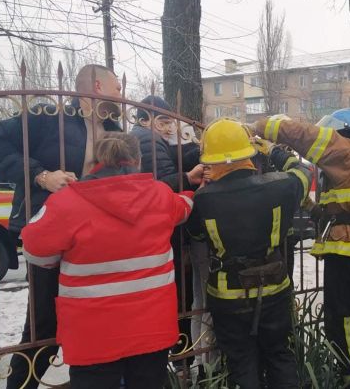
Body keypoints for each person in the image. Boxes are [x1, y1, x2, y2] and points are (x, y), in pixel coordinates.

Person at [0, 64, 122, 389]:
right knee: (44, 322)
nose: (121, 95)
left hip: (96, 239)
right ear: (98, 87)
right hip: (51, 233)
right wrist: (42, 175)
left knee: (95, 316)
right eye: (117, 88)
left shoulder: (114, 127)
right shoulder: (49, 116)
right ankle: (21, 385)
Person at [21, 132, 194, 389]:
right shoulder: (160, 195)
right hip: (152, 330)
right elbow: (184, 206)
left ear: (96, 159)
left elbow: (34, 250)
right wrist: (191, 188)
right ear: (137, 158)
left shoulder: (66, 202)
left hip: (92, 336)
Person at [249, 108, 350, 388]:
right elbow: (344, 209)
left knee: (346, 329)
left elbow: (302, 135)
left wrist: (258, 127)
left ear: (341, 131)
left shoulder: (347, 149)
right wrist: (311, 207)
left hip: (348, 251)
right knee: (348, 327)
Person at [188, 118, 311, 388]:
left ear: (211, 160)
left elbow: (196, 235)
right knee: (280, 356)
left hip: (228, 297)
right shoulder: (281, 186)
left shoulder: (203, 200)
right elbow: (303, 171)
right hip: (275, 287)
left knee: (242, 363)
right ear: (249, 154)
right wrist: (272, 150)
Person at [130, 95, 213, 372]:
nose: (169, 128)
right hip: (168, 231)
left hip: (162, 233)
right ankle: (183, 362)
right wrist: (190, 179)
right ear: (143, 119)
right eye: (163, 121)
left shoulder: (148, 140)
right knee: (180, 301)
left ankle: (182, 360)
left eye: (171, 122)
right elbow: (162, 186)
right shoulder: (147, 140)